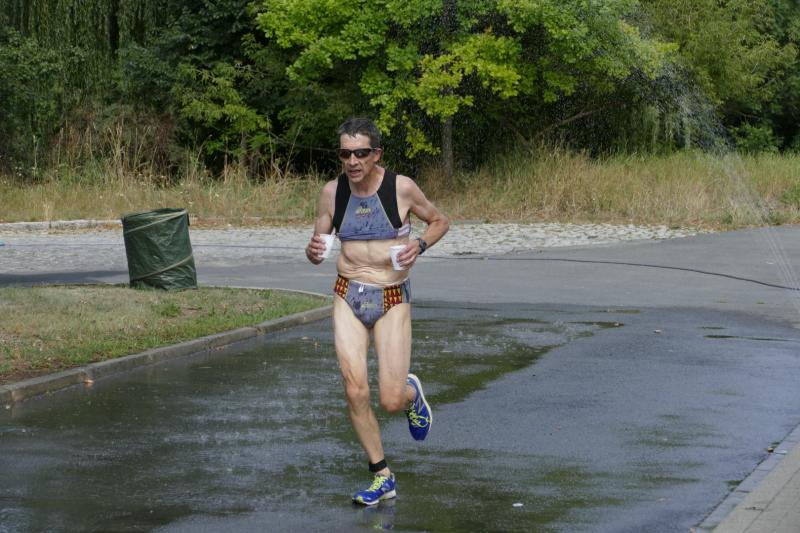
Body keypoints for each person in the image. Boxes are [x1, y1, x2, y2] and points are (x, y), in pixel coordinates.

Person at [305, 117, 449, 505]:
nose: (352, 161)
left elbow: (439, 221)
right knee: (354, 389)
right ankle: (382, 475)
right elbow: (318, 243)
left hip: (391, 296)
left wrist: (419, 245)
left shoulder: (401, 188)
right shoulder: (332, 193)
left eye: (361, 153)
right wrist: (313, 251)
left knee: (389, 400)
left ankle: (410, 395)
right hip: (347, 292)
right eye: (345, 154)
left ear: (377, 154)